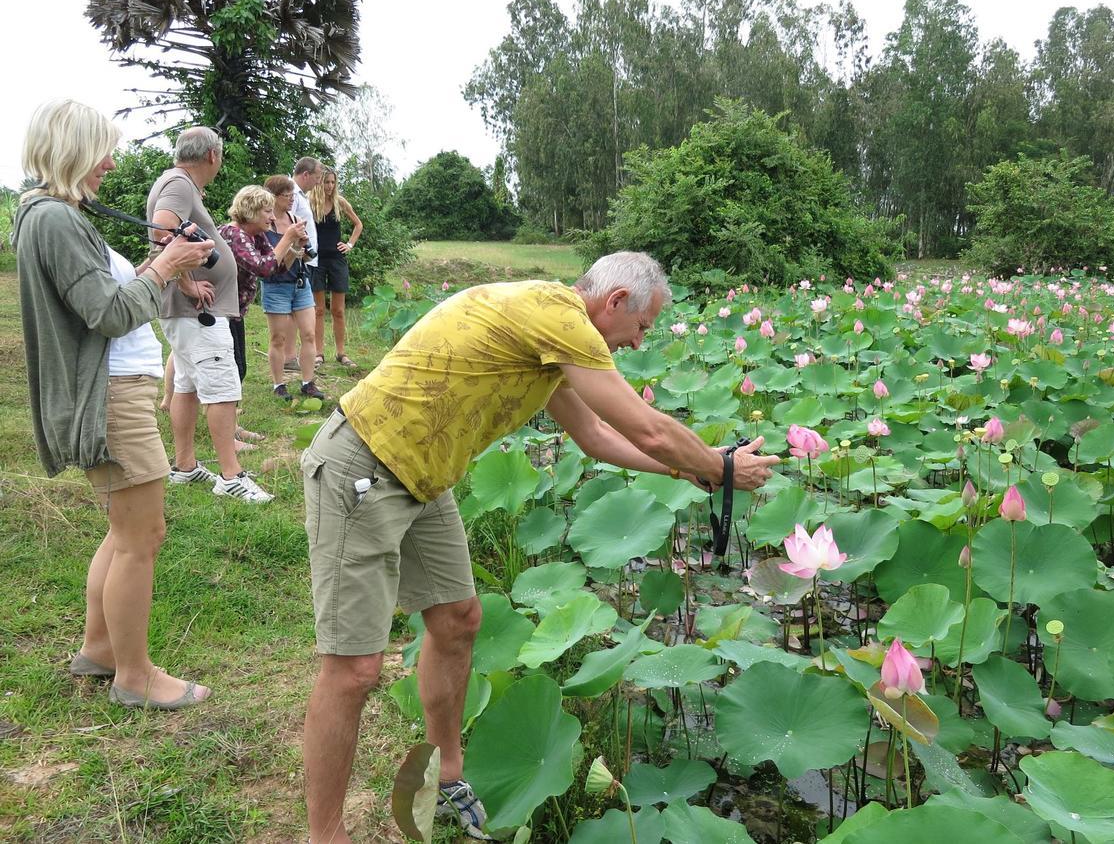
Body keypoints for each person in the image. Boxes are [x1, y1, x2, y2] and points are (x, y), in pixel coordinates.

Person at [300, 252, 780, 843]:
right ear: (616, 302)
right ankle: (324, 835)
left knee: (457, 619)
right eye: (643, 327)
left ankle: (448, 777)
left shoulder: (551, 339)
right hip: (365, 462)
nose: (639, 342)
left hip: (424, 473)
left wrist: (691, 474)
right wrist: (719, 466)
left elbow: (596, 437)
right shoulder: (556, 317)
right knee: (354, 669)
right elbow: (647, 428)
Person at [14, 99, 216, 709]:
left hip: (113, 390)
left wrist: (163, 264)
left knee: (124, 530)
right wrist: (166, 265)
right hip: (110, 396)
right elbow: (108, 313)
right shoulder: (53, 219)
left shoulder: (55, 214)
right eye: (101, 149)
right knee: (142, 535)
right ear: (72, 149)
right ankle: (135, 675)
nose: (109, 161)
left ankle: (101, 649)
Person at [147, 127, 273, 503]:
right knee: (221, 387)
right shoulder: (180, 184)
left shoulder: (176, 182)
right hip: (197, 309)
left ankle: (185, 466)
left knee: (186, 384)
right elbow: (163, 228)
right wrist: (186, 283)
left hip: (190, 312)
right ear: (213, 156)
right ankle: (230, 476)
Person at [261, 174, 322, 401]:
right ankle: (278, 384)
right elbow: (273, 264)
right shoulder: (265, 226)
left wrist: (303, 248)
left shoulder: (294, 217)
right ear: (273, 198)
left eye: (292, 196)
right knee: (278, 337)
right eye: (287, 196)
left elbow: (303, 259)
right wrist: (290, 243)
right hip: (276, 285)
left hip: (299, 282)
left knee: (308, 333)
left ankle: (308, 382)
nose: (291, 200)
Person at [307, 168, 362, 369]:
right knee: (319, 310)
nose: (329, 186)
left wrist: (350, 244)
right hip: (316, 260)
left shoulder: (340, 202)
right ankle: (319, 353)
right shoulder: (309, 202)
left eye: (332, 182)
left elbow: (358, 225)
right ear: (318, 183)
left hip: (337, 260)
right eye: (326, 182)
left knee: (338, 310)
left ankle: (341, 353)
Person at [281, 157, 322, 372]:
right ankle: (288, 356)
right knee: (293, 308)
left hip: (307, 258)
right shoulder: (292, 194)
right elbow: (287, 222)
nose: (318, 182)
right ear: (305, 175)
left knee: (299, 308)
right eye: (316, 177)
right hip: (297, 259)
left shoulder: (300, 195)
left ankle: (292, 355)